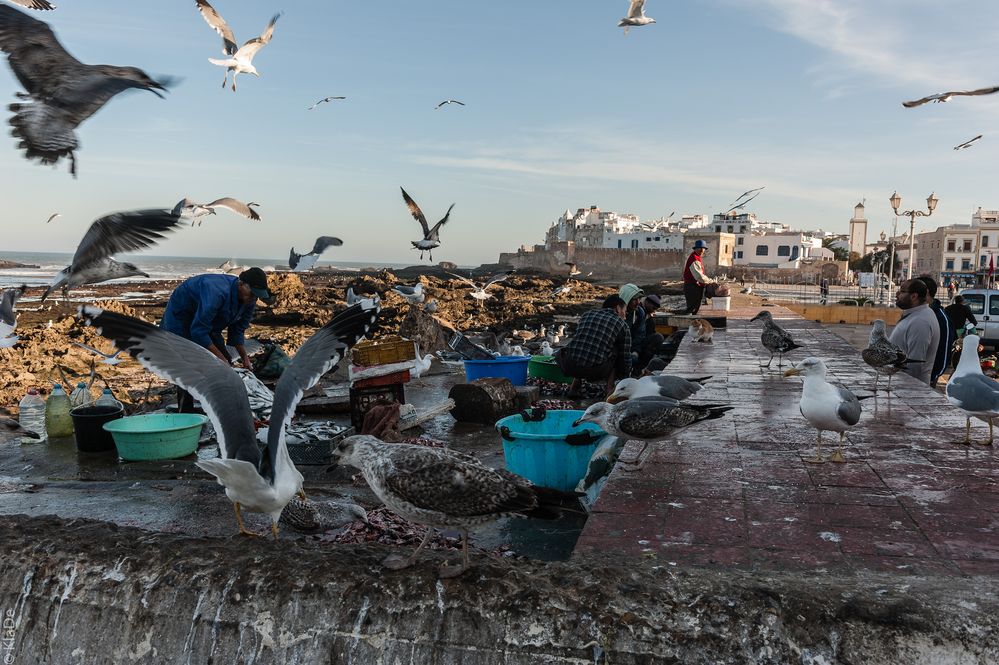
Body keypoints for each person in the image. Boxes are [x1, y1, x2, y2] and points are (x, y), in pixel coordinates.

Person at [160, 267, 272, 412]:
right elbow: (199, 331)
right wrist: (221, 360)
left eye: (257, 296)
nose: (253, 298)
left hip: (209, 323)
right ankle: (185, 411)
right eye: (252, 294)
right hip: (181, 316)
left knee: (225, 362)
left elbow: (237, 330)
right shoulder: (216, 292)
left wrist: (245, 357)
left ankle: (218, 405)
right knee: (187, 365)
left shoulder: (249, 300)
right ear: (241, 284)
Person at [555, 295, 631, 399]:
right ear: (617, 308)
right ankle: (609, 392)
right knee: (616, 351)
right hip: (594, 370)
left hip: (568, 364)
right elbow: (625, 357)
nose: (625, 316)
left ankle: (574, 388)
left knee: (583, 347)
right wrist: (625, 378)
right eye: (624, 311)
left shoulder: (587, 314)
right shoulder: (622, 324)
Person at [888, 278, 940, 385]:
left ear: (914, 296)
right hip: (900, 385)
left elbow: (915, 364)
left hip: (907, 389)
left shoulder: (920, 322)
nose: (897, 293)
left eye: (902, 291)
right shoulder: (917, 315)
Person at [916, 275, 952, 387]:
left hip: (924, 381)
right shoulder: (913, 314)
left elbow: (943, 353)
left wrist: (932, 377)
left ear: (925, 292)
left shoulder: (941, 319)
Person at [682, 240, 713, 315]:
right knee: (692, 308)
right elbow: (699, 276)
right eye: (700, 248)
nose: (702, 250)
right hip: (692, 287)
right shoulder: (694, 259)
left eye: (703, 248)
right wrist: (709, 281)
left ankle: (691, 323)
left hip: (695, 286)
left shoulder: (696, 257)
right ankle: (689, 324)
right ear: (695, 249)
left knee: (694, 307)